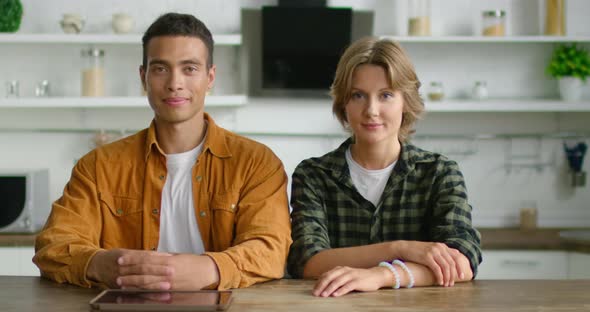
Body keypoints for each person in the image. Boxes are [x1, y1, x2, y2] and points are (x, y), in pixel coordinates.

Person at [33, 12, 292, 291]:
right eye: (160, 69)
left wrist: (210, 268)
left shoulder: (256, 163)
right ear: (144, 77)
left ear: (210, 77)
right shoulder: (97, 166)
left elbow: (271, 248)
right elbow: (54, 243)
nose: (174, 83)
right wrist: (99, 263)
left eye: (189, 68)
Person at [287, 37, 482, 297]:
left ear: (406, 102)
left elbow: (462, 262)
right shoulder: (313, 175)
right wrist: (400, 249)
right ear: (344, 104)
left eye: (386, 95)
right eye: (358, 95)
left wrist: (381, 275)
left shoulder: (440, 173)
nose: (372, 110)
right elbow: (308, 262)